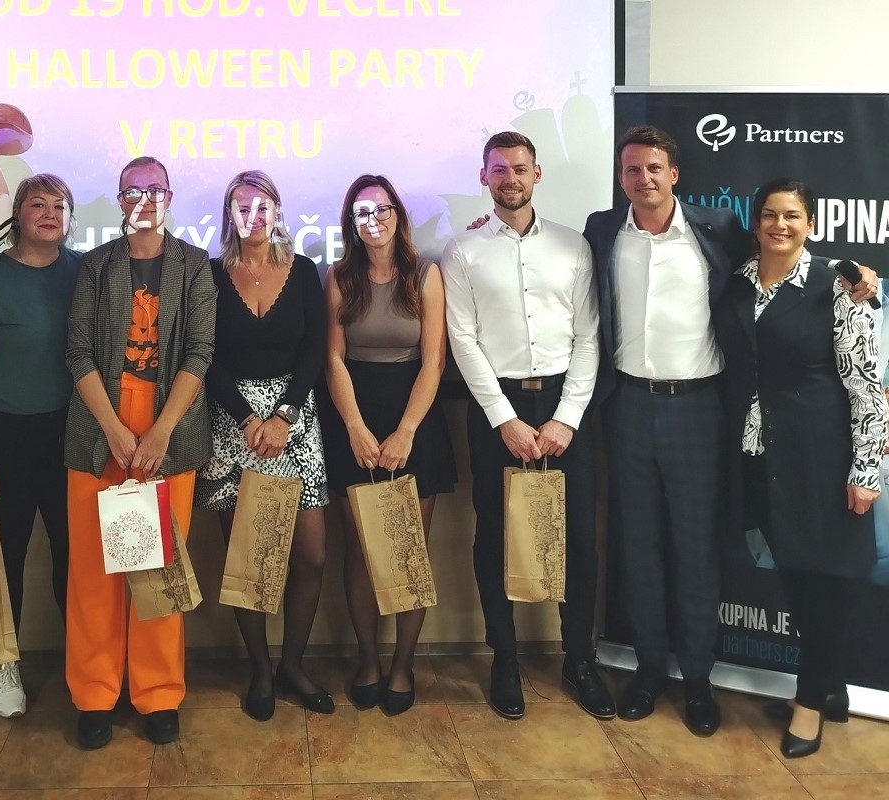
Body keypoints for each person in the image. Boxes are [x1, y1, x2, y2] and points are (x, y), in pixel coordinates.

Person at [582, 126, 877, 736]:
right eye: (633, 169)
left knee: (697, 551)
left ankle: (697, 681)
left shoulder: (716, 228)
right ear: (621, 177)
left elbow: (789, 253)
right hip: (627, 406)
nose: (644, 179)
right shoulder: (602, 231)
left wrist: (856, 274)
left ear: (675, 174)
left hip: (700, 411)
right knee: (638, 548)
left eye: (655, 168)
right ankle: (648, 672)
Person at [443, 132, 613, 722]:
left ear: (536, 174)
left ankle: (579, 659)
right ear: (484, 177)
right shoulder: (461, 252)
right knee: (494, 535)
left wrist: (567, 418)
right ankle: (506, 658)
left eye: (519, 168)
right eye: (498, 170)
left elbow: (589, 335)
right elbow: (462, 339)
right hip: (498, 410)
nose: (509, 178)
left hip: (566, 407)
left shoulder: (573, 246)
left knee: (579, 540)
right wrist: (504, 419)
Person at [714, 179, 886, 758]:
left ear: (810, 223)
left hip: (821, 458)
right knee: (794, 570)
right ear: (755, 221)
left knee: (825, 581)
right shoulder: (737, 281)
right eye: (769, 214)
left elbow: (865, 386)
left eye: (792, 215)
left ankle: (810, 700)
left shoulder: (838, 286)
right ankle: (830, 687)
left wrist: (866, 471)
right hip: (757, 458)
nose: (779, 225)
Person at [64, 156, 216, 749]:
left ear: (169, 197)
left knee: (158, 569)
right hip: (98, 427)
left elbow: (199, 351)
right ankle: (95, 693)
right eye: (133, 190)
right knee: (95, 573)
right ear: (120, 199)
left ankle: (158, 692)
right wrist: (114, 430)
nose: (144, 198)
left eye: (155, 189)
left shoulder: (194, 264)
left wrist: (158, 433)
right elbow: (78, 352)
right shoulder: (95, 265)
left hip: (168, 429)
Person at [196, 170, 333, 721]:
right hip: (235, 427)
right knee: (248, 558)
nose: (252, 215)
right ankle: (259, 668)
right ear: (229, 215)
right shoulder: (210, 274)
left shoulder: (304, 271)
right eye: (242, 206)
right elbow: (205, 355)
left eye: (262, 205)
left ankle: (292, 665)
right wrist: (249, 417)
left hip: (294, 422)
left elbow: (315, 349)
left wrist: (283, 415)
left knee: (312, 554)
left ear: (278, 211)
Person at [324, 174, 455, 716]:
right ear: (351, 223)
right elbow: (333, 359)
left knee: (407, 551)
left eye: (381, 209)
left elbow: (434, 361)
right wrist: (355, 427)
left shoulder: (425, 275)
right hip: (354, 416)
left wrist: (405, 431)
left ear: (397, 215)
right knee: (360, 551)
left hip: (414, 420)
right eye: (361, 212)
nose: (372, 220)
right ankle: (369, 661)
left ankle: (402, 665)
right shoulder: (339, 277)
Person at [0, 173, 80, 718]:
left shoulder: (85, 272)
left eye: (59, 206)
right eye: (38, 204)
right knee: (5, 556)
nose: (50, 214)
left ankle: (85, 660)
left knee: (75, 557)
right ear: (18, 214)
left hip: (72, 435)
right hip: (5, 438)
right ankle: (4, 664)